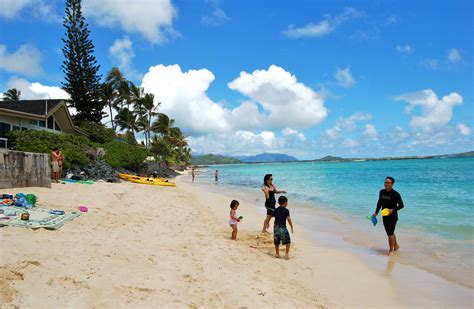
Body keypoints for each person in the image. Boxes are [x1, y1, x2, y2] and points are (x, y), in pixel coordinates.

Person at [373, 176, 405, 254]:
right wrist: (376, 212)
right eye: (385, 182)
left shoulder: (396, 194)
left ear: (392, 184)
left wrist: (393, 210)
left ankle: (391, 251)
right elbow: (379, 202)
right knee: (390, 232)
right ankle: (396, 246)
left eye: (388, 183)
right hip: (384, 215)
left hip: (393, 216)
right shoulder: (382, 192)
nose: (386, 184)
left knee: (390, 234)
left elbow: (401, 205)